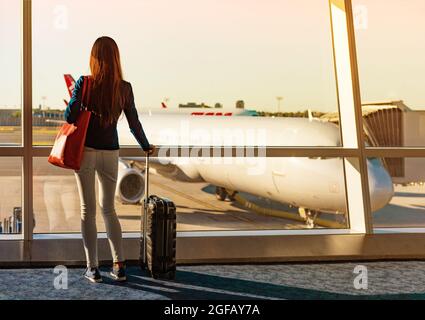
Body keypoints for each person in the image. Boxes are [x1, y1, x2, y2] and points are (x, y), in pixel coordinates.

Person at [65, 36, 155, 283]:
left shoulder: (84, 83)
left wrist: (78, 96)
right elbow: (134, 122)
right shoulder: (124, 87)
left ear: (94, 58)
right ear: (116, 59)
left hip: (87, 152)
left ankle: (92, 268)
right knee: (109, 209)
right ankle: (119, 265)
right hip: (110, 153)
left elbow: (70, 116)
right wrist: (146, 146)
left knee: (88, 210)